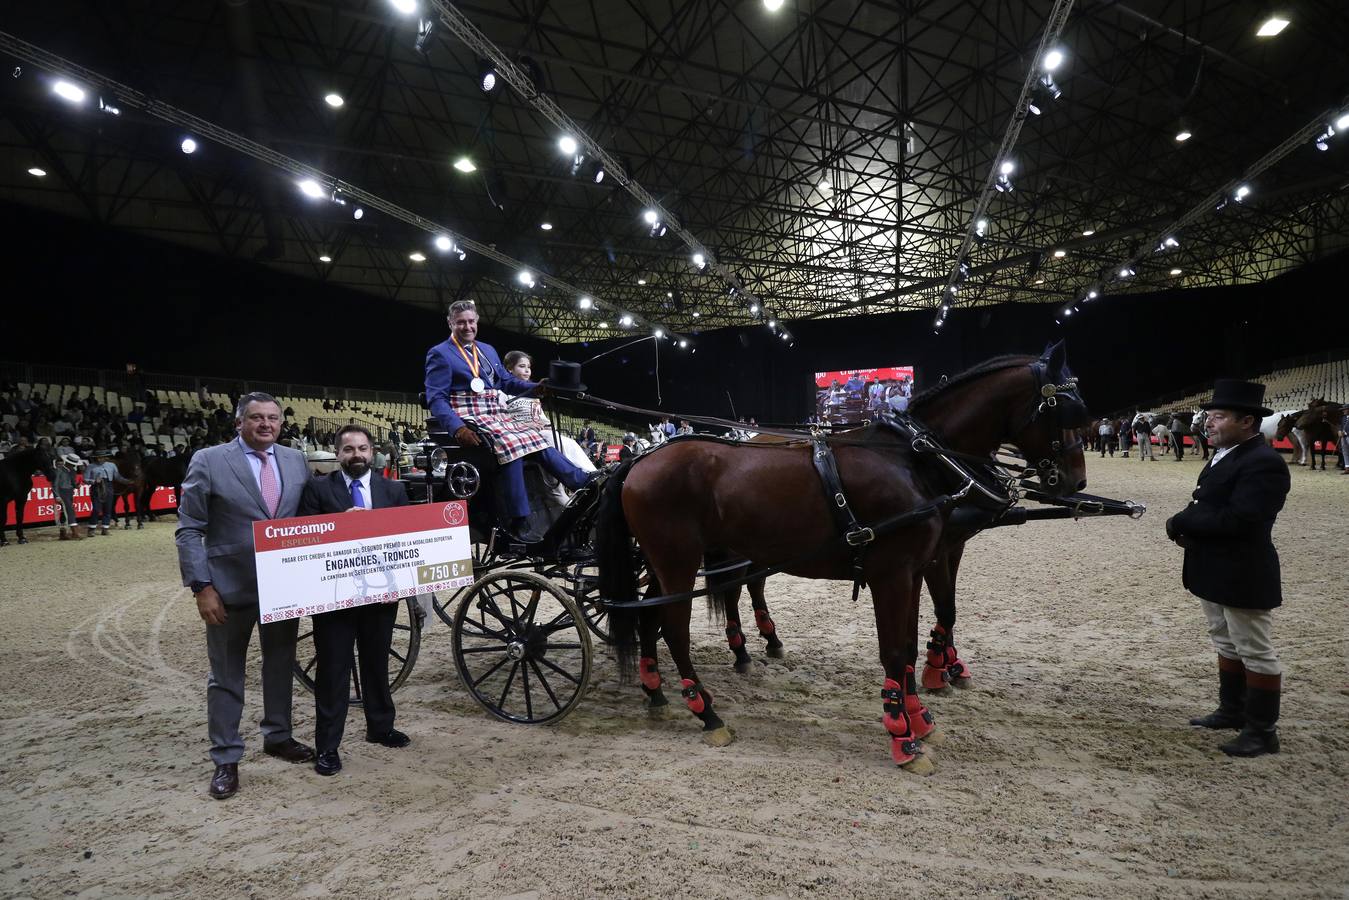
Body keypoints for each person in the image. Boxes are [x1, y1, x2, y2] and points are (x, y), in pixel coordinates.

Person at [175, 392, 315, 800]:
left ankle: (278, 736)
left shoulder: (295, 460)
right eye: (256, 417)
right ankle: (226, 757)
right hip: (228, 587)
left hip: (283, 585)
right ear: (239, 422)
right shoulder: (209, 460)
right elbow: (189, 529)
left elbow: (309, 519)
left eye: (272, 417)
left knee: (280, 664)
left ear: (281, 423)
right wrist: (201, 587)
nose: (266, 424)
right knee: (226, 674)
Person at [1165, 380, 1290, 758]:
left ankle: (1262, 731)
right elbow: (1209, 503)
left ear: (1247, 421)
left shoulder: (1264, 462)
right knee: (1225, 640)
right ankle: (1232, 710)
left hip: (1242, 570)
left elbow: (1241, 518)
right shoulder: (1228, 454)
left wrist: (1183, 520)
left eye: (1218, 416)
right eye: (1210, 416)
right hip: (1215, 566)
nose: (1208, 422)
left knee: (1255, 649)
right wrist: (1189, 521)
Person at [424, 300, 593, 542]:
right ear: (450, 323)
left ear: (477, 321)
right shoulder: (440, 353)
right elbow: (436, 398)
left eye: (471, 321)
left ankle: (582, 482)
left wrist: (536, 388)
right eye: (461, 322)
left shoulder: (487, 350)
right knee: (510, 444)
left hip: (495, 411)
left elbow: (506, 382)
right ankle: (518, 519)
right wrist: (457, 428)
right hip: (468, 412)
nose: (467, 327)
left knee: (535, 437)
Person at [298, 425, 411, 777]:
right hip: (334, 597)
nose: (356, 455)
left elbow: (408, 538)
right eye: (348, 449)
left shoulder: (393, 490)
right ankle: (327, 746)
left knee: (377, 661)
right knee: (333, 670)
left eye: (362, 448)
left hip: (380, 592)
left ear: (372, 452)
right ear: (338, 454)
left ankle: (381, 727)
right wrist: (338, 524)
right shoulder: (318, 488)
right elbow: (303, 536)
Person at [502, 351, 596, 475]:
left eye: (529, 367)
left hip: (541, 432)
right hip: (521, 435)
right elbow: (503, 418)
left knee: (565, 442)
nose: (527, 370)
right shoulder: (504, 393)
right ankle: (589, 474)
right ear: (509, 369)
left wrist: (546, 425)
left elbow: (540, 416)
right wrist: (527, 427)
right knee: (565, 443)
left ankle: (590, 474)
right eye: (522, 366)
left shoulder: (535, 393)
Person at [84, 449, 122, 536]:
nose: (99, 459)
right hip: (96, 487)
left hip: (109, 486)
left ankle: (105, 528)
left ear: (105, 457)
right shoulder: (90, 466)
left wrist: (127, 481)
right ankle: (91, 529)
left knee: (108, 509)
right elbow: (85, 479)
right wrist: (94, 481)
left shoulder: (112, 465)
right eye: (98, 457)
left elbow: (117, 477)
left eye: (101, 457)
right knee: (96, 509)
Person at [52, 450, 84, 540]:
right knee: (70, 510)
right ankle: (74, 532)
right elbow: (54, 485)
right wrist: (57, 496)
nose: (73, 466)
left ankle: (63, 533)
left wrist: (76, 485)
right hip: (62, 492)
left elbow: (73, 483)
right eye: (72, 464)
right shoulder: (59, 470)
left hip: (69, 492)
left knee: (64, 512)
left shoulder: (73, 471)